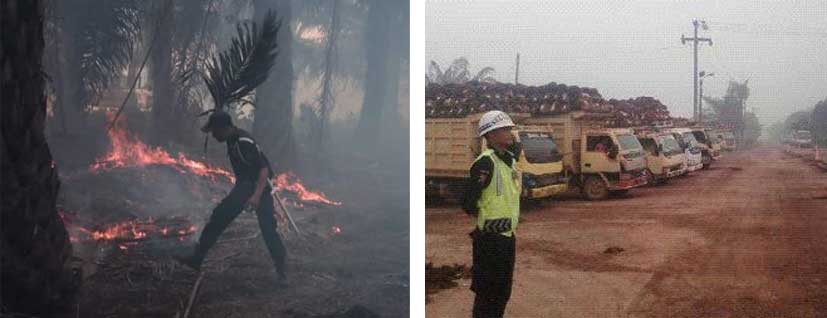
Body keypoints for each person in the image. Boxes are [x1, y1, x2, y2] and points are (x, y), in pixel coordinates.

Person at [178, 110, 288, 287]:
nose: (213, 135)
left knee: (268, 229)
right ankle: (196, 260)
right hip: (243, 188)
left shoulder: (243, 142)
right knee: (218, 217)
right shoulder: (232, 140)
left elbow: (264, 169)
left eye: (214, 131)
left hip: (259, 189)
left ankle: (282, 273)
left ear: (224, 127)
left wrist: (256, 196)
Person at [462, 110, 521, 318]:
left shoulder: (510, 161)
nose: (510, 133)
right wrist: (486, 219)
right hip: (490, 240)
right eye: (505, 129)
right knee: (487, 293)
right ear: (491, 134)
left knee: (502, 292)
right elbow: (468, 201)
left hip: (507, 237)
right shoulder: (485, 163)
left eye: (509, 128)